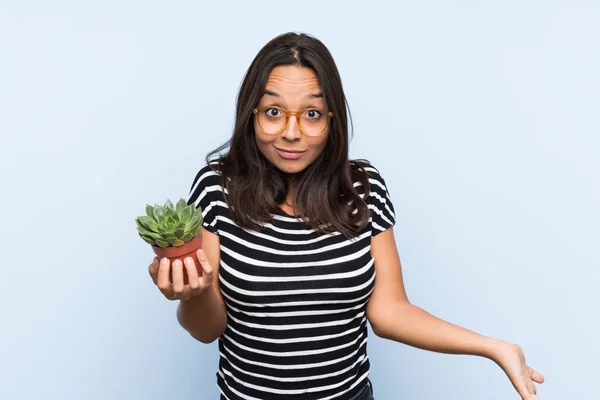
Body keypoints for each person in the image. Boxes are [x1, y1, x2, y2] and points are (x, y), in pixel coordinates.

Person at [147, 32, 545, 400]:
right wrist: (194, 293)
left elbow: (390, 311)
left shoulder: (363, 187)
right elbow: (206, 329)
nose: (291, 132)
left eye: (312, 114)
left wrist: (494, 347)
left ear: (333, 119)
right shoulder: (218, 187)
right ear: (251, 115)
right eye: (273, 111)